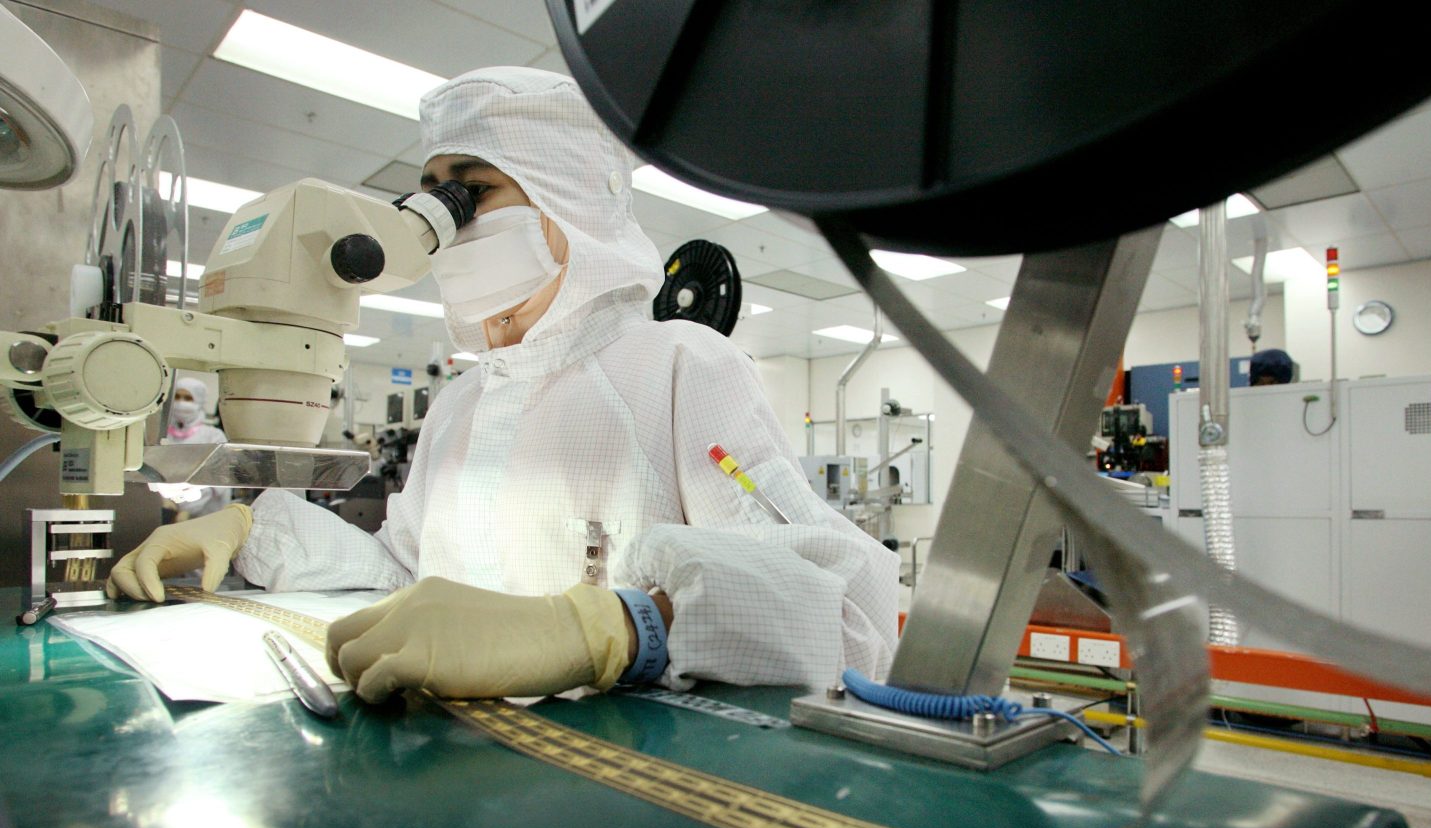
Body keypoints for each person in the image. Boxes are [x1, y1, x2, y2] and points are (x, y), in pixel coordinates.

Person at [106, 67, 898, 702]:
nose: (442, 226)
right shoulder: (464, 402)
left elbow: (850, 617)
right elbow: (402, 572)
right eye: (431, 194)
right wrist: (249, 530)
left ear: (568, 207)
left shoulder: (682, 366)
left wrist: (610, 630)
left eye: (471, 192)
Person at [149, 376, 232, 521]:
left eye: (188, 398)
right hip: (167, 512)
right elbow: (153, 473)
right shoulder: (163, 436)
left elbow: (218, 479)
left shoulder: (214, 437)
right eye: (177, 397)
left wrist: (188, 509)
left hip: (207, 515)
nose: (181, 403)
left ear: (199, 401)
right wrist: (164, 500)